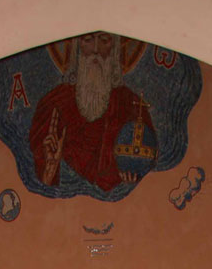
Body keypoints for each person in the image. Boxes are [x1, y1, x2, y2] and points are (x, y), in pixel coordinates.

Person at [28, 32, 155, 194]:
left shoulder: (133, 106)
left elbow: (147, 177)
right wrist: (50, 169)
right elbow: (42, 187)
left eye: (104, 40)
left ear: (115, 50)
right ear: (77, 50)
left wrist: (129, 184)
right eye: (87, 40)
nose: (95, 50)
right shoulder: (53, 105)